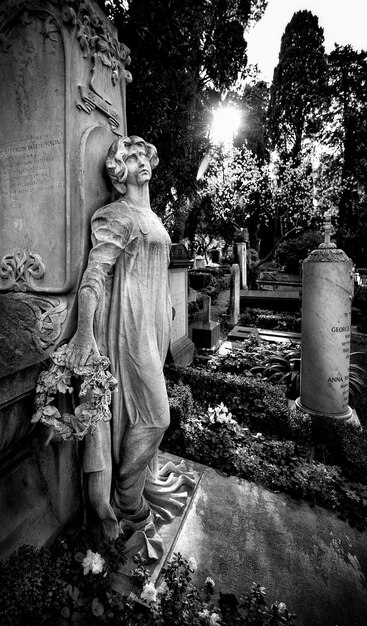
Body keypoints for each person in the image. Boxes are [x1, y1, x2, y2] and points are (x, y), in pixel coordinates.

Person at [67, 136, 194, 551]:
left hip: (154, 326)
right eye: (133, 158)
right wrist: (85, 332)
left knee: (149, 414)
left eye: (144, 157)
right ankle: (126, 497)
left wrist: (170, 311)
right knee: (157, 416)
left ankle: (136, 488)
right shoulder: (116, 216)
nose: (143, 163)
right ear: (119, 173)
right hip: (130, 330)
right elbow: (94, 276)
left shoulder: (152, 216)